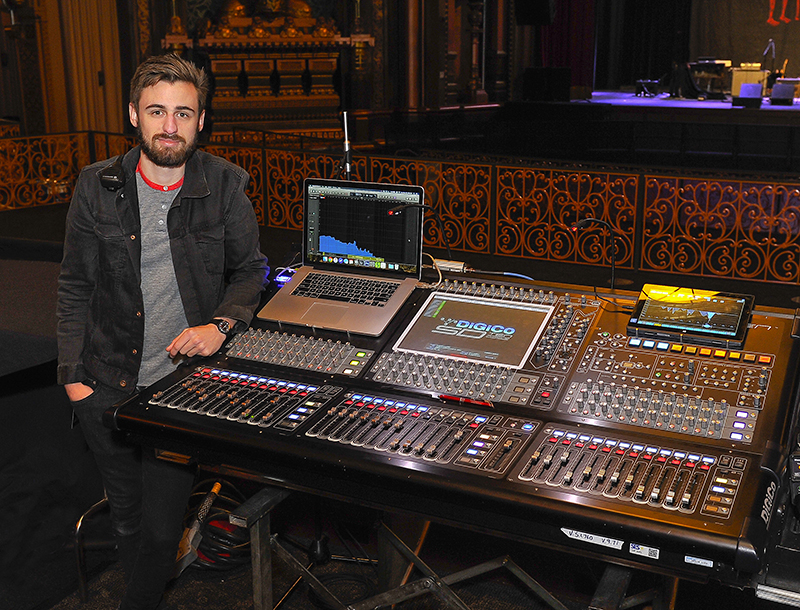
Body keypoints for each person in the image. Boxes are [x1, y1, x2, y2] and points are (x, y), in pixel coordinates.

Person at [57, 53, 269, 610]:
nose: (169, 126)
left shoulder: (225, 186)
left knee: (158, 529)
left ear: (201, 120)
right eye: (157, 111)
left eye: (183, 112)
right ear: (133, 115)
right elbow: (75, 285)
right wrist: (73, 379)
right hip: (103, 382)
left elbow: (252, 271)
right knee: (126, 519)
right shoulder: (95, 186)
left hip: (179, 388)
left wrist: (221, 325)